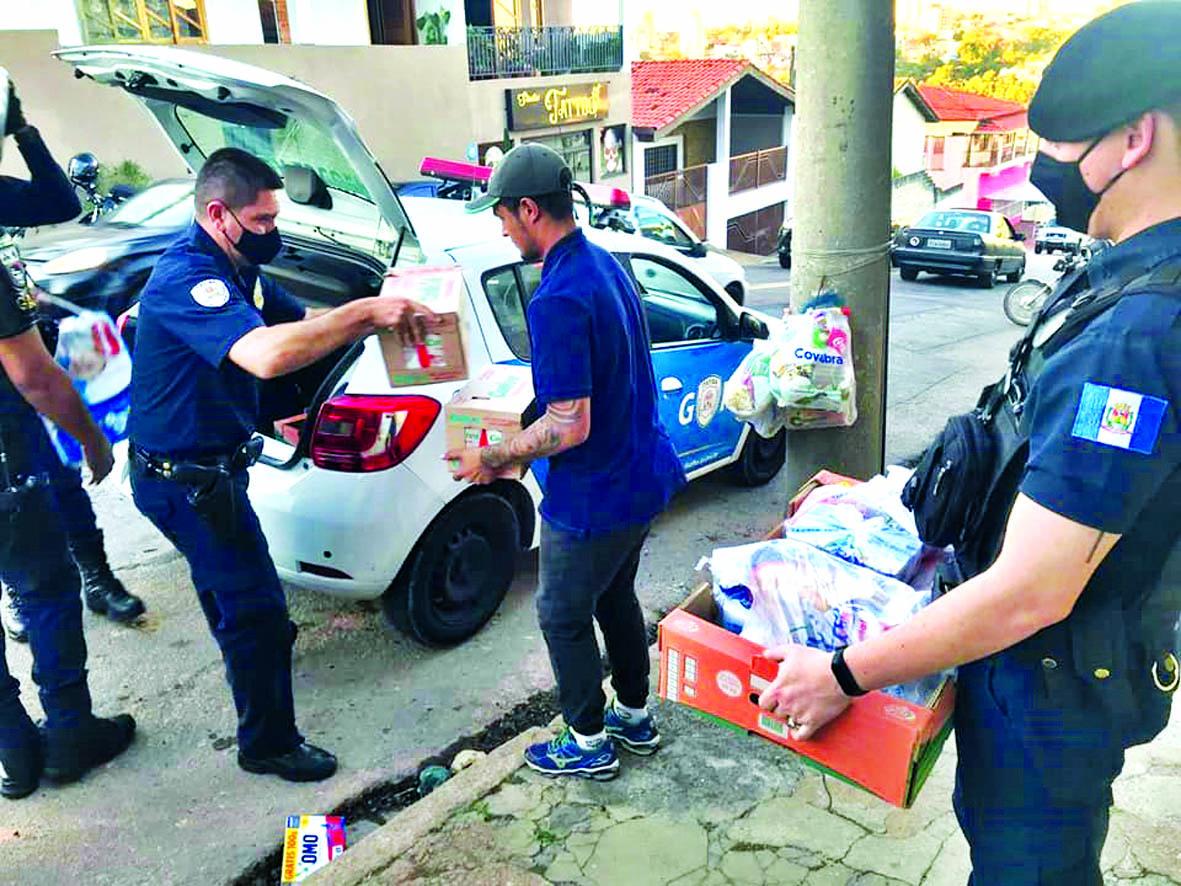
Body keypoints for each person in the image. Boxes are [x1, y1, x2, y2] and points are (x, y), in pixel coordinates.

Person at [756, 4, 1181, 883]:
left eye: (1060, 146)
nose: (1042, 173)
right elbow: (1028, 453)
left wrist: (840, 673)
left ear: (1133, 137)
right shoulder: (1124, 277)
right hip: (1048, 678)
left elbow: (1030, 591)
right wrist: (875, 506)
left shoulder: (1135, 339)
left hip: (1047, 690)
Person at [128, 147, 434, 783]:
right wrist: (367, 313)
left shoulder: (242, 269)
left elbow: (302, 327)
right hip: (183, 481)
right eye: (263, 221)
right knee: (261, 610)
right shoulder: (189, 276)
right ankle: (266, 744)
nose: (275, 232)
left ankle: (245, 669)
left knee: (231, 596)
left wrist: (371, 318)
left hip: (211, 467)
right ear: (218, 214)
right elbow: (265, 355)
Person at [450, 143, 685, 780]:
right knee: (614, 597)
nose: (500, 228)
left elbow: (569, 423)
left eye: (502, 214)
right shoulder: (603, 263)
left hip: (593, 496)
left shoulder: (555, 298)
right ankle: (634, 717)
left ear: (529, 209)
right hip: (641, 476)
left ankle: (586, 743)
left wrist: (490, 456)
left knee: (560, 613)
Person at [0, 75, 136, 801]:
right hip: (7, 457)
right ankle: (69, 734)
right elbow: (37, 378)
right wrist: (92, 439)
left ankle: (15, 755)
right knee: (45, 595)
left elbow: (56, 202)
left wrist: (21, 133)